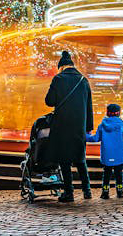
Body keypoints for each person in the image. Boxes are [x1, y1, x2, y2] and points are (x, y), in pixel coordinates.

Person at [45, 51, 93, 202]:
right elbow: (89, 106)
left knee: (64, 160)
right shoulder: (83, 80)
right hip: (79, 126)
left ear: (61, 67)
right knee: (80, 159)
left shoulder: (58, 79)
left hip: (63, 125)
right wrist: (88, 127)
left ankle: (69, 193)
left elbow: (49, 101)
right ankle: (87, 191)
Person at [87, 103, 123, 199]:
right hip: (120, 156)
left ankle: (105, 193)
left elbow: (95, 139)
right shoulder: (122, 126)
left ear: (107, 112)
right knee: (119, 174)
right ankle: (120, 192)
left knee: (106, 175)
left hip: (107, 155)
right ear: (118, 113)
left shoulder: (102, 126)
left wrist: (85, 136)